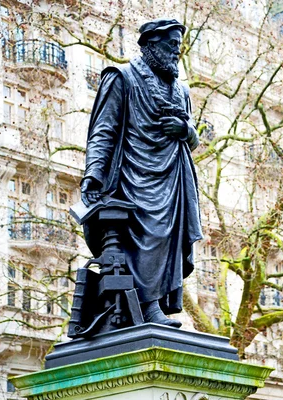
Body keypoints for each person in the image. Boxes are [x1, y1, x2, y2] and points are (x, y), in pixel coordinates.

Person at [80, 19, 202, 328]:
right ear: (150, 45)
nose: (176, 52)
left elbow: (194, 139)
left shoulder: (182, 90)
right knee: (149, 237)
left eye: (179, 47)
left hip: (173, 177)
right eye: (171, 46)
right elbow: (103, 130)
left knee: (169, 240)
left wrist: (185, 129)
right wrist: (93, 173)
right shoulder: (121, 78)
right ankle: (148, 307)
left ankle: (156, 305)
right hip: (134, 177)